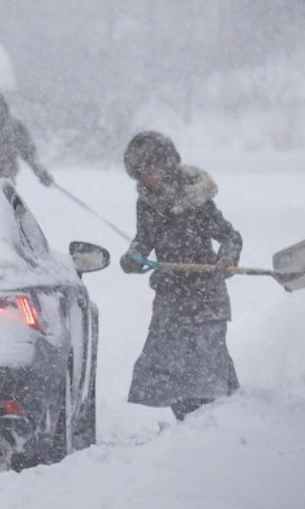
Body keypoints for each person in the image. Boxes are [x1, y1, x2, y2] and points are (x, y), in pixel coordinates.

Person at [118, 131, 242, 420]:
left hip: (205, 295)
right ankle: (191, 425)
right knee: (169, 366)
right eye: (141, 173)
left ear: (168, 165)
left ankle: (215, 422)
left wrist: (227, 259)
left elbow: (230, 237)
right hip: (170, 295)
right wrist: (133, 257)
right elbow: (144, 238)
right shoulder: (146, 203)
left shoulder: (195, 199)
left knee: (206, 364)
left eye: (152, 170)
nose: (148, 178)